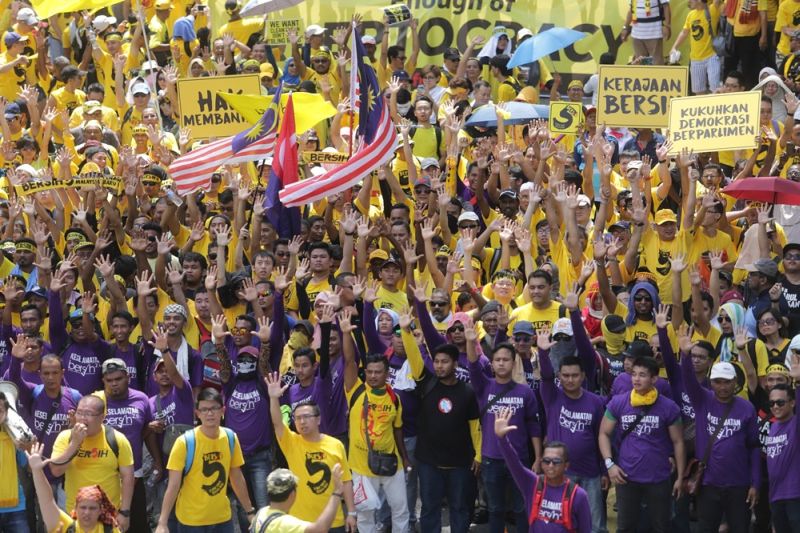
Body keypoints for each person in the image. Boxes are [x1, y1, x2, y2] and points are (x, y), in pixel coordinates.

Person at [399, 308, 481, 533]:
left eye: (444, 362)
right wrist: (406, 331)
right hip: (429, 463)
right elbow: (415, 358)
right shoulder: (427, 383)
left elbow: (475, 426)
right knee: (429, 509)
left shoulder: (467, 392)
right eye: (436, 362)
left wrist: (479, 455)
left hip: (460, 464)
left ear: (455, 364)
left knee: (460, 509)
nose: (439, 366)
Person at [599, 356, 685, 533]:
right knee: (625, 527)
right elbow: (603, 434)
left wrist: (680, 477)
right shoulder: (619, 402)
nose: (636, 379)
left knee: (661, 526)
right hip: (626, 477)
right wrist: (609, 464)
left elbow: (678, 442)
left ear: (654, 379)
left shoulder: (668, 407)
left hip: (659, 478)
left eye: (642, 375)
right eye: (634, 374)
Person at [155, 388, 255, 533]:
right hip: (191, 521)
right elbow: (173, 485)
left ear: (223, 411)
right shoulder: (184, 442)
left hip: (222, 519)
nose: (209, 413)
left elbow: (236, 477)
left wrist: (249, 511)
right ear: (197, 414)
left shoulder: (230, 438)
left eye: (214, 408)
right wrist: (162, 522)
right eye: (204, 409)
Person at [266, 373, 356, 533]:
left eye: (307, 417)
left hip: (334, 521)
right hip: (302, 523)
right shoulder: (291, 442)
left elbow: (346, 481)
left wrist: (352, 512)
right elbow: (277, 423)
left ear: (318, 419)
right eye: (298, 418)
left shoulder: (335, 445)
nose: (302, 421)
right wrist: (274, 398)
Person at [493, 408, 593, 532]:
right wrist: (502, 439)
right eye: (546, 461)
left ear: (566, 465)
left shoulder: (579, 495)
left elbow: (586, 530)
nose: (550, 465)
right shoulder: (532, 484)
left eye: (556, 462)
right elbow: (514, 464)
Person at [49, 394, 135, 531]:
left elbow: (128, 477)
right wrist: (75, 443)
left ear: (102, 417)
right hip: (75, 514)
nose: (83, 418)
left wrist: (125, 512)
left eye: (88, 414)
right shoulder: (65, 437)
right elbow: (56, 470)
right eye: (80, 412)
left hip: (108, 515)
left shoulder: (117, 439)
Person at [29, 441, 121, 533]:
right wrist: (37, 470)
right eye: (83, 507)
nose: (87, 512)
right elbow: (47, 501)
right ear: (76, 509)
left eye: (92, 508)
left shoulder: (111, 530)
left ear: (100, 510)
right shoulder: (67, 527)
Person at [764, 352, 800, 533]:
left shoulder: (796, 423)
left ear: (792, 403)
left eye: (780, 402)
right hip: (776, 497)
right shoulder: (773, 427)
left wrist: (799, 383)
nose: (775, 407)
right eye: (772, 404)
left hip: (796, 496)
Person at [250, 466, 345, 533]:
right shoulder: (285, 523)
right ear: (292, 494)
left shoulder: (261, 513)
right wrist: (336, 492)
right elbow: (320, 529)